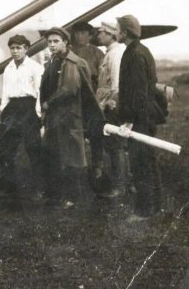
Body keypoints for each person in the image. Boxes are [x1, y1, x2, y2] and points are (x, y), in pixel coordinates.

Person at [39, 27, 102, 209]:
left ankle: (73, 197)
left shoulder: (72, 63)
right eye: (49, 42)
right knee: (56, 155)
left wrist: (47, 104)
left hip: (69, 117)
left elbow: (69, 89)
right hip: (55, 117)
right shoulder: (53, 61)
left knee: (71, 157)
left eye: (56, 41)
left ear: (65, 42)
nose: (52, 45)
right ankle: (59, 195)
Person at [116, 15, 164, 221]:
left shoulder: (134, 54)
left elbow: (137, 91)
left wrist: (129, 120)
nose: (115, 32)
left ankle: (144, 211)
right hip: (145, 114)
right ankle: (156, 206)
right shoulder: (141, 50)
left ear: (125, 32)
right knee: (148, 160)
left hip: (139, 117)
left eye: (117, 29)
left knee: (140, 163)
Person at [0, 34, 45, 195]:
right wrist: (4, 110)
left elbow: (40, 92)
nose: (15, 51)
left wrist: (38, 115)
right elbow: (5, 91)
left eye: (19, 48)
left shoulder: (35, 67)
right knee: (6, 150)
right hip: (12, 109)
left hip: (29, 107)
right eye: (12, 48)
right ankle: (9, 188)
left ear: (26, 49)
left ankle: (39, 188)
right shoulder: (8, 68)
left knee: (33, 149)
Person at [93, 20, 128, 197]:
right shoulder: (112, 53)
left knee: (115, 146)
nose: (98, 36)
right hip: (107, 102)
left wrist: (109, 104)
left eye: (101, 32)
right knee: (113, 145)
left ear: (111, 34)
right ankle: (119, 183)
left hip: (111, 104)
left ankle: (119, 186)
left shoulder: (115, 55)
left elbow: (116, 84)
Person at [70, 22, 104, 92]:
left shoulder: (97, 53)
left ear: (90, 36)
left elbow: (102, 75)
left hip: (91, 89)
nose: (79, 36)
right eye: (77, 33)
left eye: (83, 33)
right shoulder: (69, 51)